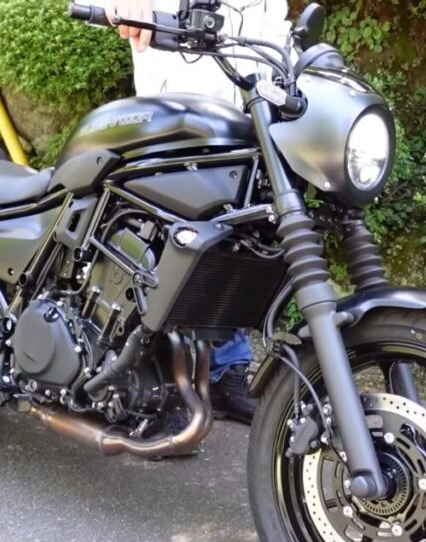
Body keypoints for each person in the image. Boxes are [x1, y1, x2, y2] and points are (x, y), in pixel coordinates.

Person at [92, 0, 291, 425]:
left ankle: (223, 371)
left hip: (249, 113)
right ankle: (154, 384)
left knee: (238, 242)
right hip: (177, 113)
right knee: (171, 248)